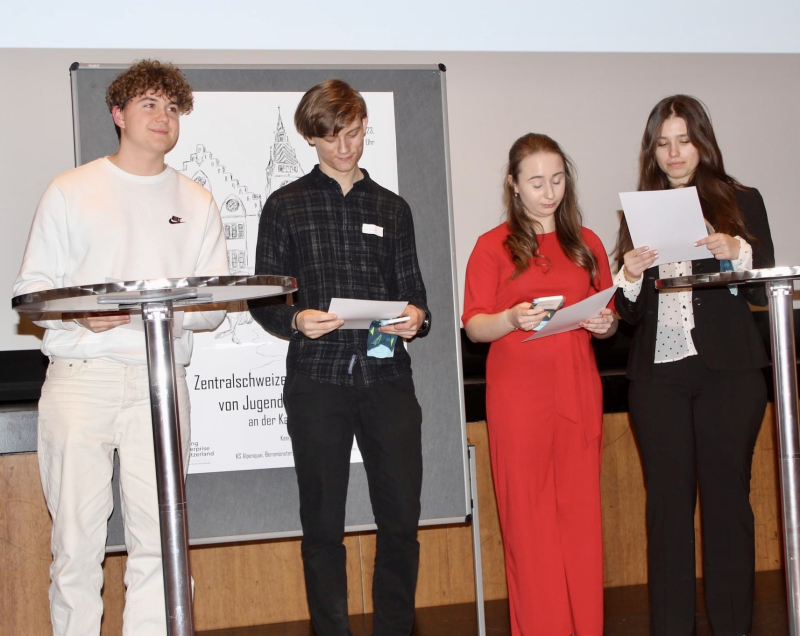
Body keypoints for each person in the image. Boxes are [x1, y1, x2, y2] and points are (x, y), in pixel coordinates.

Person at [13, 60, 230, 636]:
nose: (163, 117)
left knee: (160, 544)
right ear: (118, 114)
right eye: (149, 105)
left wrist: (163, 312)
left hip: (160, 384)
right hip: (82, 378)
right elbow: (31, 291)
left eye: (172, 107)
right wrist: (79, 312)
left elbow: (214, 307)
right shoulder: (71, 189)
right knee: (76, 546)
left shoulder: (197, 199)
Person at [248, 79, 431, 636]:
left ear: (365, 127)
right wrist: (295, 319)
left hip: (387, 374)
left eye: (352, 134)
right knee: (323, 526)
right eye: (331, 138)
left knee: (400, 520)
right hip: (317, 382)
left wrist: (416, 317)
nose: (344, 148)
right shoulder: (285, 205)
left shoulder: (392, 207)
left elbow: (414, 293)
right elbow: (265, 298)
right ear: (311, 137)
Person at [613, 95, 774, 636]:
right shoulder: (638, 211)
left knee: (728, 505)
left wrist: (735, 250)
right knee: (667, 512)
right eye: (663, 143)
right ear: (652, 151)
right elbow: (631, 314)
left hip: (728, 373)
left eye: (684, 140)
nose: (674, 152)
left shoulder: (740, 199)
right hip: (659, 378)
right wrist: (629, 274)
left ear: (703, 143)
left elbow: (762, 286)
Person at [462, 133, 616, 636]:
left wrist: (605, 324)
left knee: (580, 519)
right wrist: (511, 317)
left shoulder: (587, 242)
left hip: (577, 388)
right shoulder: (492, 246)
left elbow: (608, 313)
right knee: (528, 524)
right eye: (536, 182)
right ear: (513, 184)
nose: (548, 192)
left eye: (557, 180)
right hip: (519, 395)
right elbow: (474, 326)